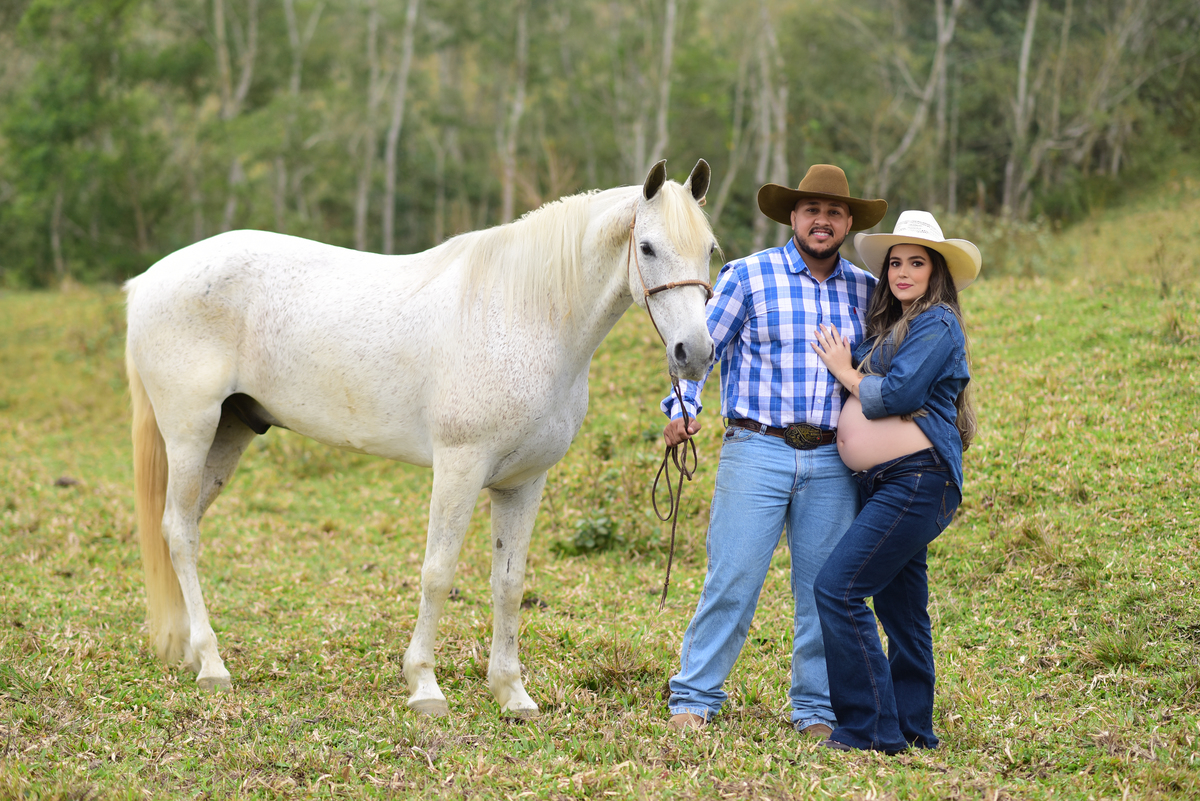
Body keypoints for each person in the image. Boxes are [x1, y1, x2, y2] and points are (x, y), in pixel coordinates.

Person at [662, 165, 887, 735]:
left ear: (847, 223)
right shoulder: (748, 276)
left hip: (832, 459)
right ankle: (694, 698)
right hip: (755, 449)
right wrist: (680, 408)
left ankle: (814, 708)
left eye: (834, 213)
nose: (822, 221)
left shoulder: (866, 290)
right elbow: (701, 352)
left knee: (823, 590)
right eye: (811, 210)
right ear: (792, 217)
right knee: (732, 577)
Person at [809, 209, 981, 753]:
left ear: (937, 271)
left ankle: (868, 728)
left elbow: (901, 395)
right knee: (903, 614)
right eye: (896, 264)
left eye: (917, 262)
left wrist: (844, 370)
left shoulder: (938, 323)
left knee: (837, 590)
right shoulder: (890, 328)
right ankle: (912, 728)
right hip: (888, 485)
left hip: (917, 480)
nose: (903, 272)